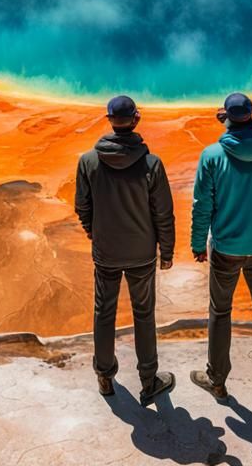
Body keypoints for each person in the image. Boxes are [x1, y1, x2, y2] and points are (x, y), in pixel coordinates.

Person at [189, 92, 252, 400]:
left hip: (225, 248)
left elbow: (202, 206)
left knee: (220, 312)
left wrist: (198, 244)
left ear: (227, 119)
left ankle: (218, 380)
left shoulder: (211, 156)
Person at [75, 94, 177, 406]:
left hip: (106, 251)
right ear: (135, 120)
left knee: (103, 312)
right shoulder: (151, 164)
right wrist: (167, 251)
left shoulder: (88, 161)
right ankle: (149, 380)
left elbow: (82, 205)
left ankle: (105, 376)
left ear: (109, 121)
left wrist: (94, 231)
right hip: (142, 254)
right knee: (143, 315)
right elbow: (163, 213)